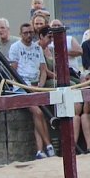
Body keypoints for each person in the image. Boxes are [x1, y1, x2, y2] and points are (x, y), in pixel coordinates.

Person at [8, 23, 54, 159]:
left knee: (41, 114)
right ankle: (48, 144)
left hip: (35, 85)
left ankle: (40, 150)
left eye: (30, 32)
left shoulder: (37, 48)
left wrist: (40, 84)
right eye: (25, 33)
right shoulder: (15, 47)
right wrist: (23, 85)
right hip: (21, 86)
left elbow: (43, 69)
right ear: (21, 34)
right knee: (37, 111)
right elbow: (13, 70)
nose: (28, 35)